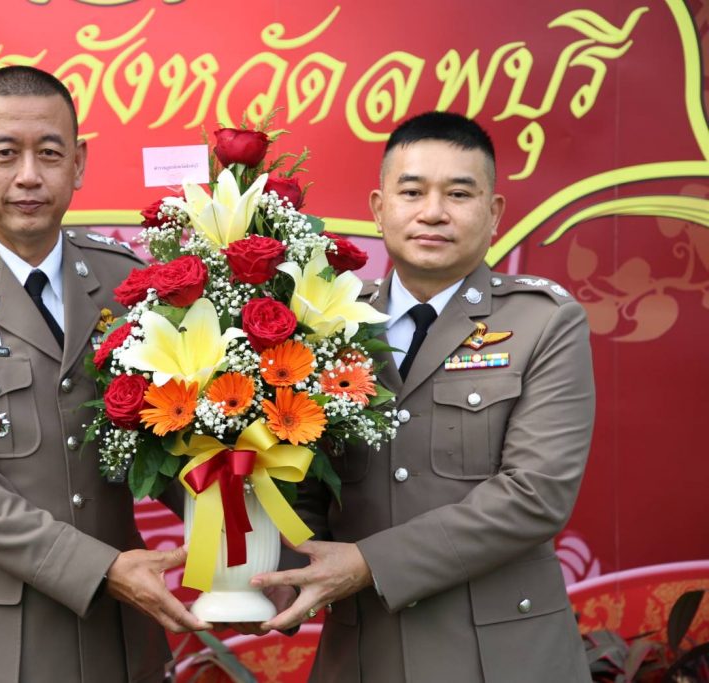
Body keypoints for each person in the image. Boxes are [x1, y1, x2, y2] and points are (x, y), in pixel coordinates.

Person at [0, 65, 206, 683]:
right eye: (5, 153)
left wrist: (248, 540)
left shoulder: (122, 279)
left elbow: (169, 442)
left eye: (49, 153)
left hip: (113, 639)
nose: (29, 175)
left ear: (78, 163)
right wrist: (101, 569)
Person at [252, 111, 595, 682]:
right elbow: (303, 488)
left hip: (500, 658)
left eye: (459, 193)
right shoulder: (326, 324)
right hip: (364, 655)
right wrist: (273, 578)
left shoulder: (545, 321)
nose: (433, 212)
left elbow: (536, 495)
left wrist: (368, 563)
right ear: (378, 206)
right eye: (411, 192)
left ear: (494, 212)